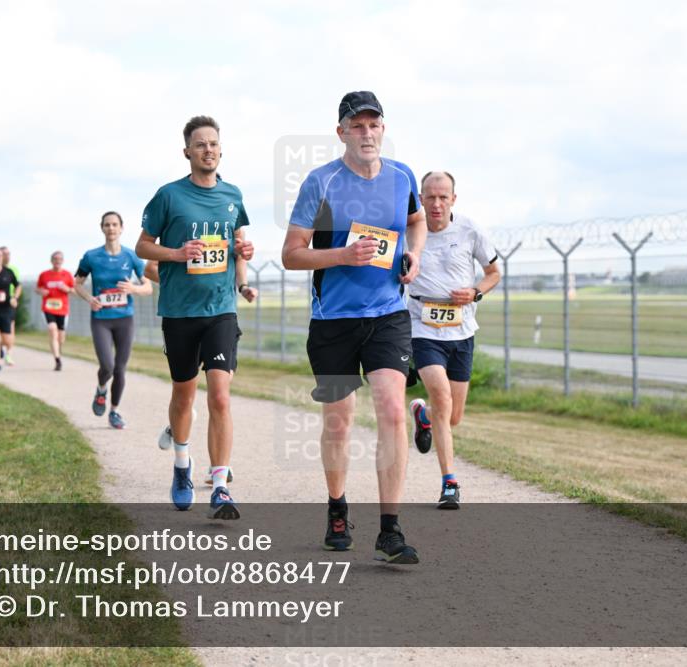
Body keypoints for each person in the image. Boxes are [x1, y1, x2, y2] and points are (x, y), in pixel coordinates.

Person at [281, 91, 426, 564]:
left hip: (387, 314)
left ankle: (390, 529)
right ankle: (338, 508)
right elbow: (291, 254)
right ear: (341, 132)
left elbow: (416, 220)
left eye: (373, 124)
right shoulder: (321, 183)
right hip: (333, 322)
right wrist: (342, 254)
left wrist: (414, 255)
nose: (366, 133)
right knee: (340, 422)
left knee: (390, 409)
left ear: (383, 129)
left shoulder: (402, 176)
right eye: (356, 125)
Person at [136, 115, 257, 520]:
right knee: (184, 395)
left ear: (221, 149)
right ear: (187, 151)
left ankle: (220, 485)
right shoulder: (168, 196)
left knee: (220, 396)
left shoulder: (233, 196)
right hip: (179, 311)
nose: (208, 149)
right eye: (200, 144)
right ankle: (182, 465)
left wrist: (243, 280)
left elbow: (237, 247)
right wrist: (176, 254)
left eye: (214, 143)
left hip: (220, 310)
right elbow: (143, 247)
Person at [405, 171, 501, 510]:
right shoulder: (408, 230)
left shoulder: (470, 229)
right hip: (422, 327)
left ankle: (423, 415)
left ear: (453, 200)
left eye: (443, 196)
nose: (436, 203)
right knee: (442, 397)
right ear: (420, 198)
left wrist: (475, 292)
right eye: (429, 196)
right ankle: (450, 483)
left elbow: (493, 274)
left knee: (452, 415)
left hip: (462, 331)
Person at [73, 212, 151, 427]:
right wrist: (90, 299)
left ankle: (114, 412)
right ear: (102, 228)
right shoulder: (91, 256)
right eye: (107, 225)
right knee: (107, 365)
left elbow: (148, 287)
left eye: (115, 224)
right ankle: (101, 389)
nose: (111, 228)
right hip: (101, 319)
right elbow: (77, 284)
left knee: (120, 368)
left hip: (124, 319)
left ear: (121, 228)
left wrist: (133, 288)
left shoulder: (131, 256)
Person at [36, 251, 75, 371]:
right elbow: (37, 288)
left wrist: (67, 289)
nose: (57, 261)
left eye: (59, 259)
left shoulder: (67, 275)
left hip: (62, 309)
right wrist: (41, 291)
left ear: (62, 261)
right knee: (53, 330)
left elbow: (74, 291)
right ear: (51, 260)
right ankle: (57, 360)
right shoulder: (44, 275)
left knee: (61, 337)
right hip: (48, 308)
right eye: (55, 259)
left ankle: (58, 350)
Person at [0, 246, 22, 365]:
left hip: (10, 302)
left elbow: (18, 285)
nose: (7, 256)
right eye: (4, 254)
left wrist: (15, 298)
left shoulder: (14, 269)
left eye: (8, 254)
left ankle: (9, 354)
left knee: (10, 329)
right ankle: (0, 346)